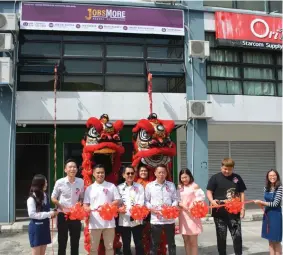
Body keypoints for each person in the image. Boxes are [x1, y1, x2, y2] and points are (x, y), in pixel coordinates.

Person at [206, 158, 247, 255]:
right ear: (221, 167)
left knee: (237, 236)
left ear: (233, 168)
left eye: (230, 169)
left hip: (234, 212)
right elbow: (209, 192)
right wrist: (212, 201)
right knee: (221, 237)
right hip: (219, 213)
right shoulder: (215, 178)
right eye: (225, 169)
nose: (227, 171)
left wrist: (243, 208)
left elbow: (242, 193)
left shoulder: (236, 178)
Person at [83, 164, 121, 255]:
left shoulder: (111, 186)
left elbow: (118, 200)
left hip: (109, 223)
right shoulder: (89, 188)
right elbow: (85, 204)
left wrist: (107, 207)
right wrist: (86, 209)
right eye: (98, 173)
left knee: (109, 247)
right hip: (94, 222)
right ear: (93, 174)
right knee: (93, 248)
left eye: (102, 172)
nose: (100, 174)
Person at [51, 159, 84, 255]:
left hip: (75, 216)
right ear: (65, 169)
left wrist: (79, 205)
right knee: (62, 241)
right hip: (62, 215)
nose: (73, 169)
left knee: (75, 242)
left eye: (74, 167)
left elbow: (82, 197)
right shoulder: (60, 182)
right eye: (70, 167)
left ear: (77, 169)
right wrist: (61, 207)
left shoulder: (81, 182)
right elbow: (53, 197)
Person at [145, 164, 178, 255]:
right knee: (154, 243)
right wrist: (151, 209)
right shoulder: (150, 186)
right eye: (159, 172)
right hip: (156, 219)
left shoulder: (171, 185)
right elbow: (146, 201)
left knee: (171, 243)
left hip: (169, 219)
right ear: (155, 173)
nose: (161, 174)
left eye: (163, 172)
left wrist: (172, 207)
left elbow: (175, 199)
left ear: (166, 173)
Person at [27, 174, 58, 255]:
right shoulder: (31, 198)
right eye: (45, 182)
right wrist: (49, 213)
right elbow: (32, 214)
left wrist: (53, 211)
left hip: (45, 227)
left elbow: (45, 209)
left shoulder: (45, 195)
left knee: (42, 253)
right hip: (36, 228)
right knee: (36, 252)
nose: (46, 184)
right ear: (40, 184)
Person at [117, 165, 145, 255]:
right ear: (123, 175)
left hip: (137, 220)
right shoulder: (119, 187)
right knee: (126, 244)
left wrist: (136, 212)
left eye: (132, 173)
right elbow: (117, 202)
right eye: (127, 173)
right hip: (124, 220)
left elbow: (141, 202)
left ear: (135, 174)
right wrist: (118, 209)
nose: (130, 175)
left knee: (139, 243)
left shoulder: (139, 187)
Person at [254, 169, 282, 255]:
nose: (272, 177)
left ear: (277, 177)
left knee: (276, 240)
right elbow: (266, 203)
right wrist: (259, 204)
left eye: (274, 175)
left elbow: (275, 204)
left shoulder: (280, 188)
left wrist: (262, 202)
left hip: (276, 215)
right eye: (270, 176)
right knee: (270, 240)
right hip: (267, 215)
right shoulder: (266, 188)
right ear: (267, 177)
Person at [178, 168, 205, 255]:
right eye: (182, 178)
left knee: (193, 241)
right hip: (183, 215)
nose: (184, 179)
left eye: (186, 177)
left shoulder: (195, 186)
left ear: (190, 176)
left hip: (192, 215)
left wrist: (193, 205)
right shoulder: (180, 187)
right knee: (186, 240)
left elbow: (200, 198)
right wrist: (181, 205)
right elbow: (177, 199)